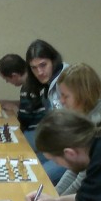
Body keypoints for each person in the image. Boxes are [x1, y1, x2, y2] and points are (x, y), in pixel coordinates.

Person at [53, 63, 101, 199]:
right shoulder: (82, 118)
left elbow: (82, 180)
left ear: (82, 95)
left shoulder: (97, 127)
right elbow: (74, 169)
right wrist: (54, 196)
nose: (61, 101)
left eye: (65, 96)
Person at [25, 39, 69, 183]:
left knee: (36, 178)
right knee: (28, 167)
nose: (39, 72)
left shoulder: (68, 77)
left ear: (53, 61)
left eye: (43, 65)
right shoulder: (49, 84)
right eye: (34, 68)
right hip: (59, 145)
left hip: (74, 150)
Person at [0, 53, 45, 133]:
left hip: (35, 132)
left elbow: (23, 121)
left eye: (6, 79)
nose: (7, 82)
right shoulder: (35, 80)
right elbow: (28, 104)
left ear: (14, 76)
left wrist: (15, 109)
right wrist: (2, 102)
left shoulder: (27, 88)